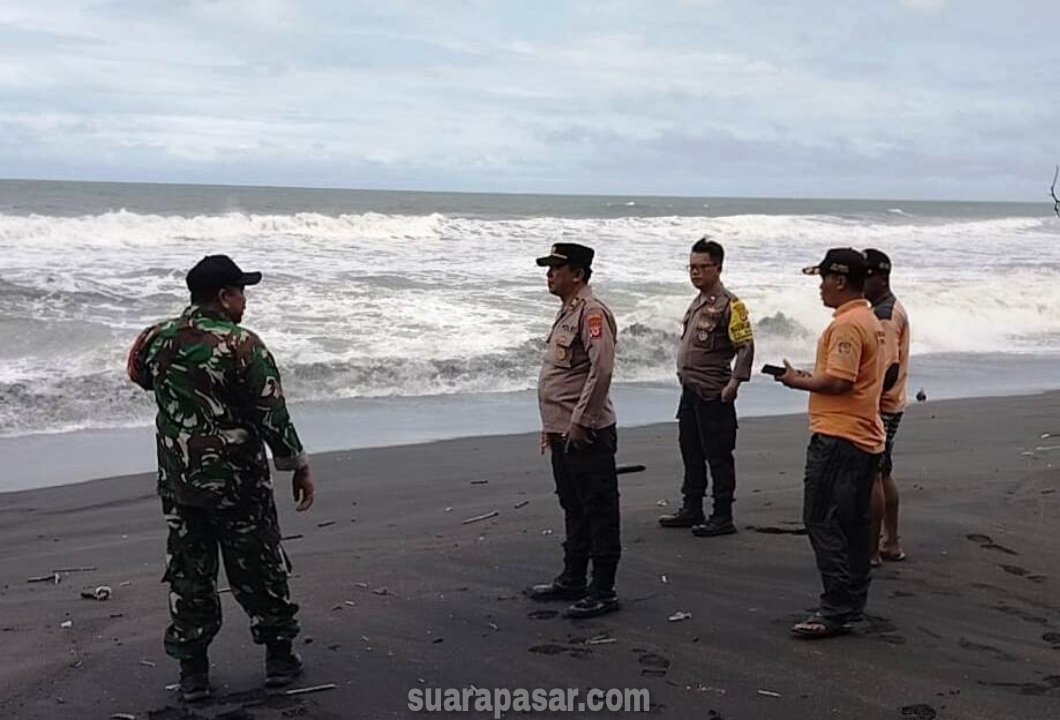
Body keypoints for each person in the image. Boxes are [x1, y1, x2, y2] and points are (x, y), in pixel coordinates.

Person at [127, 255, 315, 701]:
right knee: (259, 566)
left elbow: (139, 376)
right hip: (238, 482)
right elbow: (271, 414)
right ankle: (279, 659)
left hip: (180, 482)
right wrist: (297, 464)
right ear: (223, 297)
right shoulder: (243, 345)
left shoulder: (155, 339)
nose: (245, 301)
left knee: (190, 572)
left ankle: (193, 674)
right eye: (241, 292)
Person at [776, 248, 886, 638]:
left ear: (840, 280)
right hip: (863, 434)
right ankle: (851, 601)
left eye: (824, 279)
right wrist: (810, 376)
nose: (820, 287)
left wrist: (797, 381)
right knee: (854, 523)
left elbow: (839, 382)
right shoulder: (870, 319)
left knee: (822, 519)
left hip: (840, 436)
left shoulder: (848, 325)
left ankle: (837, 605)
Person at [528, 243, 622, 619]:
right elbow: (565, 376)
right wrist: (552, 426)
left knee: (599, 510)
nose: (549, 274)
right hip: (562, 431)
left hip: (588, 432)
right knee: (574, 506)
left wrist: (581, 420)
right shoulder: (568, 312)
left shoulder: (592, 312)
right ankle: (573, 578)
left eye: (556, 268)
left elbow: (601, 371)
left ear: (578, 274)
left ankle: (603, 589)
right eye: (549, 268)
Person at [659, 237, 754, 536]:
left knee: (718, 454)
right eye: (691, 267)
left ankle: (722, 515)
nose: (695, 273)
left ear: (718, 268)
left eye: (702, 267)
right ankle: (692, 506)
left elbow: (746, 346)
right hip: (690, 390)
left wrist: (735, 382)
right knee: (690, 450)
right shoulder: (698, 302)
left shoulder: (731, 305)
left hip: (714, 391)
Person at [864, 249, 910, 565]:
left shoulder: (885, 315)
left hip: (882, 404)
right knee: (883, 470)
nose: (861, 282)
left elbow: (889, 367)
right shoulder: (889, 309)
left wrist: (867, 400)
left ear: (882, 276)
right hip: (894, 402)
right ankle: (890, 541)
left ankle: (870, 551)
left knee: (871, 475)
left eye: (865, 275)